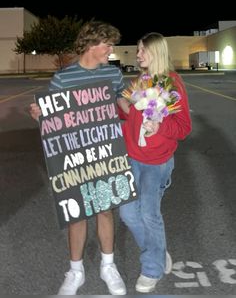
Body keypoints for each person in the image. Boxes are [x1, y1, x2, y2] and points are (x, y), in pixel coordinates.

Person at [30, 20, 130, 296]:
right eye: (107, 44)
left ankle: (108, 266)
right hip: (73, 155)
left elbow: (126, 105)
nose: (111, 50)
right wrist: (40, 116)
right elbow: (50, 119)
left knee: (105, 209)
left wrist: (148, 114)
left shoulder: (112, 75)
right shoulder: (63, 79)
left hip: (106, 152)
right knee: (77, 213)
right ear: (91, 44)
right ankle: (75, 271)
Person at [119, 32, 192, 293]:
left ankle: (151, 268)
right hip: (132, 157)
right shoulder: (140, 81)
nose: (138, 55)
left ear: (155, 52)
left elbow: (183, 127)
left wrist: (160, 126)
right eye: (138, 50)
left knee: (149, 214)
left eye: (142, 50)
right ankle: (158, 252)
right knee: (127, 213)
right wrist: (120, 103)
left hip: (157, 162)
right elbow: (129, 115)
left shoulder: (172, 83)